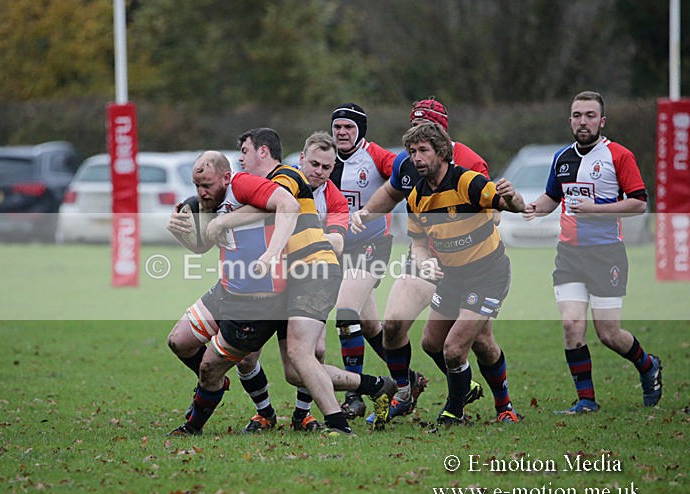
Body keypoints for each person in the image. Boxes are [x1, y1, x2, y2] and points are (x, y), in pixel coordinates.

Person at [169, 145, 395, 436]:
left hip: (280, 291)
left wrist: (274, 252)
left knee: (300, 361)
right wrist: (183, 231)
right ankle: (367, 388)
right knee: (181, 341)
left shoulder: (262, 185)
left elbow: (289, 206)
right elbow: (205, 244)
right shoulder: (227, 196)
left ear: (261, 153)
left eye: (245, 150)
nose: (201, 191)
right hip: (230, 290)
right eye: (197, 185)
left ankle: (205, 421)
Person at [353, 98, 507, 422]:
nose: (418, 146)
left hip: (469, 264)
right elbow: (392, 194)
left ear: (442, 133)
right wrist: (363, 215)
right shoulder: (408, 161)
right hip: (425, 257)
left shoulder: (469, 164)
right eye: (414, 128)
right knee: (392, 325)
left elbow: (493, 214)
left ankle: (502, 404)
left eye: (428, 129)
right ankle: (405, 392)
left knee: (480, 342)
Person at [523, 90, 662, 414]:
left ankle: (648, 365)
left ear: (601, 120)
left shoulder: (618, 155)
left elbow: (639, 203)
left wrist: (596, 209)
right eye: (577, 115)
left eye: (589, 115)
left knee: (609, 334)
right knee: (572, 325)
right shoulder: (562, 158)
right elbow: (552, 197)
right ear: (570, 120)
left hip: (606, 254)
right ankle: (586, 400)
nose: (582, 121)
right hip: (569, 255)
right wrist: (533, 208)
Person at [403, 121, 525, 425]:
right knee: (433, 343)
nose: (416, 157)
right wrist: (423, 262)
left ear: (442, 152)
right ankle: (502, 404)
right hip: (452, 276)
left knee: (454, 349)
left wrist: (512, 197)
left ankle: (455, 411)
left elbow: (514, 207)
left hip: (488, 274)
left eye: (423, 150)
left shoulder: (468, 182)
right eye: (412, 151)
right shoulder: (417, 197)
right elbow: (417, 243)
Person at [328, 103, 409, 419]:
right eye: (338, 127)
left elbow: (405, 173)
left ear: (360, 130)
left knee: (346, 313)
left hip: (373, 245)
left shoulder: (376, 155)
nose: (342, 133)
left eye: (349, 127)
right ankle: (408, 381)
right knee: (372, 326)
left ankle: (355, 394)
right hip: (339, 249)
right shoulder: (326, 160)